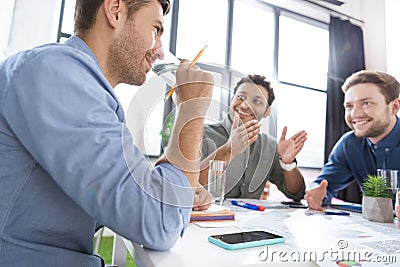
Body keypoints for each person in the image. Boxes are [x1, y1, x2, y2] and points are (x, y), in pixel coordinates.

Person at [0, 0, 214, 266]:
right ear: (115, 10)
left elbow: (122, 199)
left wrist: (174, 194)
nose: (159, 50)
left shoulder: (79, 86)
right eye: (156, 29)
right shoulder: (57, 74)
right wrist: (192, 109)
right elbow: (161, 222)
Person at [200, 74, 307, 200]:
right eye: (241, 97)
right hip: (206, 216)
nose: (245, 105)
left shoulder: (270, 146)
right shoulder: (202, 134)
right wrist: (229, 150)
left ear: (267, 111)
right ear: (232, 99)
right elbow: (186, 184)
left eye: (257, 101)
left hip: (252, 218)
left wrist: (287, 163)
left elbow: (296, 193)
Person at [305, 70, 400, 211]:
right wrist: (316, 194)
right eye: (349, 106)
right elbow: (324, 185)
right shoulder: (349, 145)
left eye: (366, 103)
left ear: (394, 107)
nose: (355, 114)